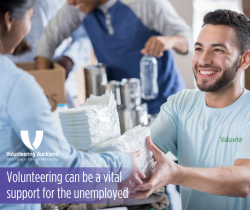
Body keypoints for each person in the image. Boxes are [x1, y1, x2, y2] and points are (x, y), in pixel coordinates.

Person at [0, 1, 144, 209]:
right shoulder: (16, 85)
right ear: (8, 20)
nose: (29, 27)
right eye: (30, 18)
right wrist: (123, 163)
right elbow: (66, 169)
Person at [129, 10, 250, 210]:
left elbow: (245, 180)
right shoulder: (180, 104)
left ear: (244, 59)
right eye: (199, 49)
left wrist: (177, 174)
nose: (204, 60)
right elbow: (144, 152)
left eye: (218, 50)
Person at [35, 0, 193, 115]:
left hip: (165, 105)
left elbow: (189, 39)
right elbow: (47, 42)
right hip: (121, 110)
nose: (70, 2)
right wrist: (44, 94)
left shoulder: (145, 4)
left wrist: (169, 40)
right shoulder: (77, 8)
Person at [6, 0, 92, 108]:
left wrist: (70, 58)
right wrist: (10, 38)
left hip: (59, 82)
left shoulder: (70, 4)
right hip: (13, 83)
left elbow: (84, 35)